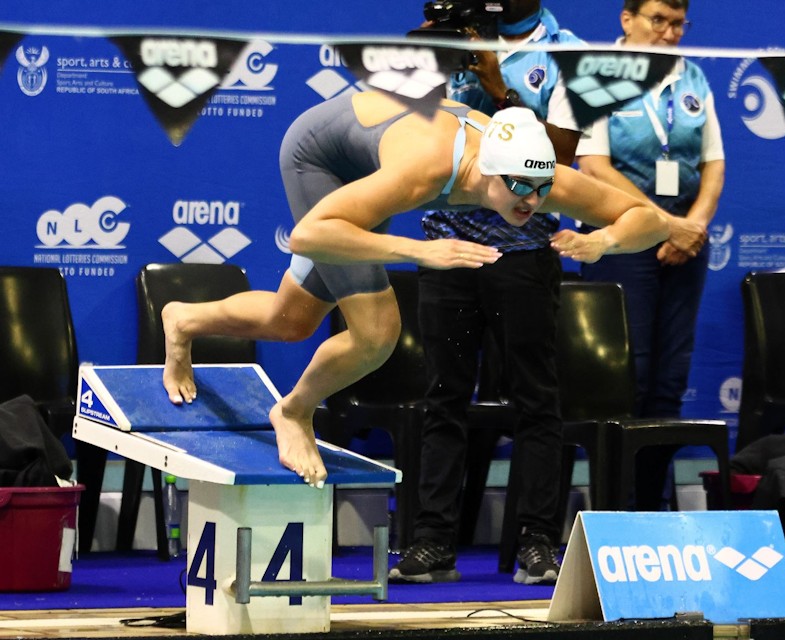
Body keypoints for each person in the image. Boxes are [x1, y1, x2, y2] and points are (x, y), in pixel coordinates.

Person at [160, 89, 704, 508]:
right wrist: (420, 252)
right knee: (376, 335)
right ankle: (294, 412)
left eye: (540, 190)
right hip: (321, 160)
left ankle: (183, 319)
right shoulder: (426, 172)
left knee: (292, 321)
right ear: (486, 170)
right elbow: (307, 235)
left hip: (374, 156)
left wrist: (603, 240)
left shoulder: (536, 176)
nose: (530, 202)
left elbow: (650, 221)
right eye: (517, 187)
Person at [393, 0, 585, 586]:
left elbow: (563, 157)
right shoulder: (446, 45)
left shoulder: (566, 50)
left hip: (523, 254)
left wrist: (498, 86)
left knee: (536, 399)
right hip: (448, 248)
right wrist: (423, 65)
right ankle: (431, 543)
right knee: (442, 395)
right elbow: (399, 132)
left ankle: (536, 542)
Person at [575, 0, 724, 510]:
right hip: (619, 234)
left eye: (678, 23)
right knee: (625, 375)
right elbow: (593, 166)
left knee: (669, 379)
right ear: (627, 19)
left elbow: (714, 165)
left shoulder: (694, 78)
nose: (668, 33)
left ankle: (651, 504)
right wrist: (664, 223)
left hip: (686, 241)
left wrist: (693, 226)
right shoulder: (597, 74)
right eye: (657, 20)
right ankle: (616, 504)